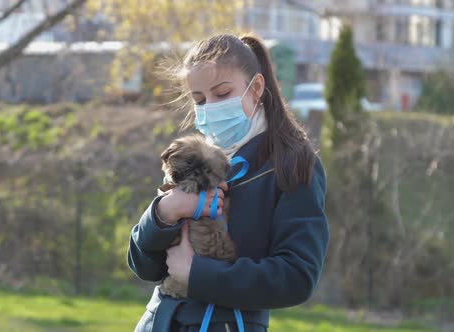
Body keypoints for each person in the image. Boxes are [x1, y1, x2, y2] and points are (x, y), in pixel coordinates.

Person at [128, 33, 329, 332]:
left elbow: (297, 277)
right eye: (198, 99)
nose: (209, 107)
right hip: (160, 321)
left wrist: (198, 275)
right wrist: (164, 212)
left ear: (256, 87)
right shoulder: (191, 158)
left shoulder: (293, 165)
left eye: (222, 94)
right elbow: (145, 266)